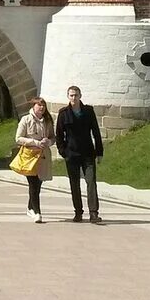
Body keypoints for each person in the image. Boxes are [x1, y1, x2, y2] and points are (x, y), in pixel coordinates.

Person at [56, 85, 106, 224]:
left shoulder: (88, 111)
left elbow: (96, 132)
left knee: (91, 182)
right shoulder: (63, 113)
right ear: (68, 97)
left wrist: (99, 152)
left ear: (80, 96)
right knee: (74, 184)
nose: (74, 98)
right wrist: (63, 152)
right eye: (71, 95)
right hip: (71, 154)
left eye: (76, 95)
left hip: (88, 153)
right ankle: (78, 212)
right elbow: (59, 135)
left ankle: (94, 213)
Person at [13, 98, 56, 223]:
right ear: (33, 106)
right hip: (29, 157)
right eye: (39, 105)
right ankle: (37, 212)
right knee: (33, 183)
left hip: (42, 157)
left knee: (38, 184)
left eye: (43, 105)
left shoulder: (47, 121)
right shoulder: (26, 120)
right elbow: (18, 138)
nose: (41, 107)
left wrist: (49, 142)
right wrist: (35, 142)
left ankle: (30, 207)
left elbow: (53, 137)